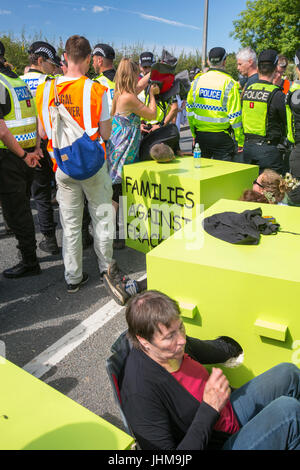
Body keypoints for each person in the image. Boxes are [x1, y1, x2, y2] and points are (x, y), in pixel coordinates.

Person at [121, 290, 300, 450]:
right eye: (170, 336)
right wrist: (209, 409)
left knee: (288, 373)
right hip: (213, 440)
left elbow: (209, 349)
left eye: (181, 328)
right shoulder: (140, 392)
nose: (181, 339)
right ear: (144, 341)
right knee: (288, 411)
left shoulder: (173, 346)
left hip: (227, 414)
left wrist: (233, 346)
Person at [35, 35, 127, 295]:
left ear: (64, 57)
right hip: (94, 165)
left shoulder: (45, 90)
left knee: (71, 223)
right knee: (102, 216)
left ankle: (73, 277)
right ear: (89, 59)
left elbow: (43, 133)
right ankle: (106, 267)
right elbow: (107, 134)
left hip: (62, 166)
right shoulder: (98, 90)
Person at [105, 58, 158, 250]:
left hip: (120, 145)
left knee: (118, 192)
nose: (140, 77)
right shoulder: (128, 97)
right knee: (116, 193)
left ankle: (113, 234)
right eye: (138, 73)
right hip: (123, 149)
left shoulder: (122, 92)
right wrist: (152, 95)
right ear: (132, 74)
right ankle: (110, 236)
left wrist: (157, 71)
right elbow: (152, 114)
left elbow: (141, 84)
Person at [0, 40, 42, 278]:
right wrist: (34, 149)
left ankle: (29, 261)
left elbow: (2, 130)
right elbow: (34, 117)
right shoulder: (17, 80)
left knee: (18, 213)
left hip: (11, 156)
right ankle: (29, 257)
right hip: (26, 154)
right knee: (22, 207)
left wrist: (25, 155)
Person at [21, 41, 59, 255]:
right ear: (40, 60)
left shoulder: (17, 82)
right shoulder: (54, 83)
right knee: (63, 190)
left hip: (25, 146)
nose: (53, 68)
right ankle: (81, 236)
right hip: (52, 144)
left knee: (39, 194)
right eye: (51, 63)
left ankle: (49, 240)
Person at [187, 47, 244, 162]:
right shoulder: (230, 83)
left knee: (200, 173)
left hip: (201, 136)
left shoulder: (196, 82)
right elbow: (235, 116)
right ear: (224, 61)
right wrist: (240, 140)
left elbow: (190, 111)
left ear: (208, 61)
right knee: (222, 176)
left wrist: (194, 133)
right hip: (222, 138)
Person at [242, 49, 287, 174]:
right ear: (274, 68)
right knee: (271, 191)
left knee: (252, 189)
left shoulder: (248, 90)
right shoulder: (277, 94)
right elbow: (287, 121)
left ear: (258, 68)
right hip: (269, 151)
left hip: (248, 148)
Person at [92, 44, 116, 115]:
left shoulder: (96, 83)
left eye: (93, 61)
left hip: (104, 125)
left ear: (99, 61)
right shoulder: (124, 79)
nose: (92, 64)